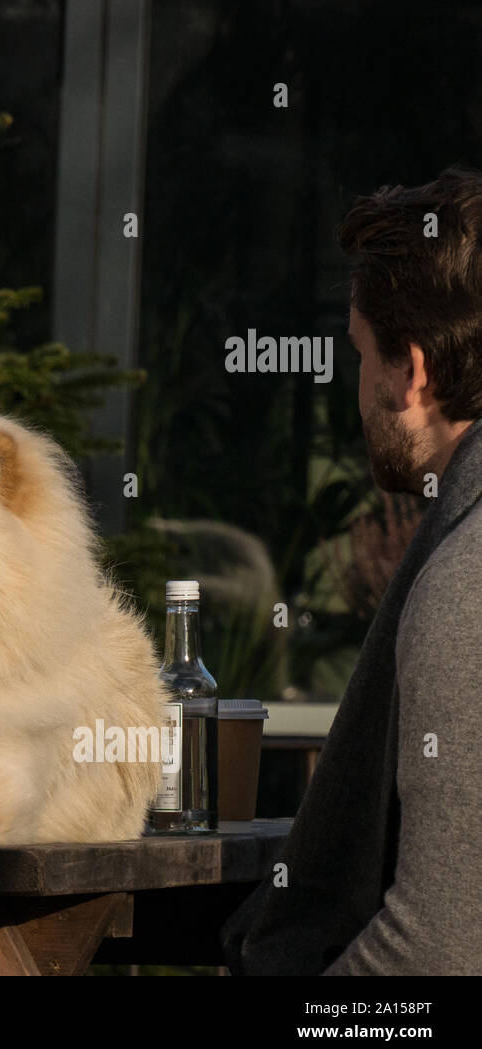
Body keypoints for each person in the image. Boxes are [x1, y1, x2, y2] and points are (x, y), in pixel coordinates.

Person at [222, 166, 482, 974]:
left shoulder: (465, 586)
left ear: (411, 372)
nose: (357, 387)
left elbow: (437, 952)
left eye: (361, 355)